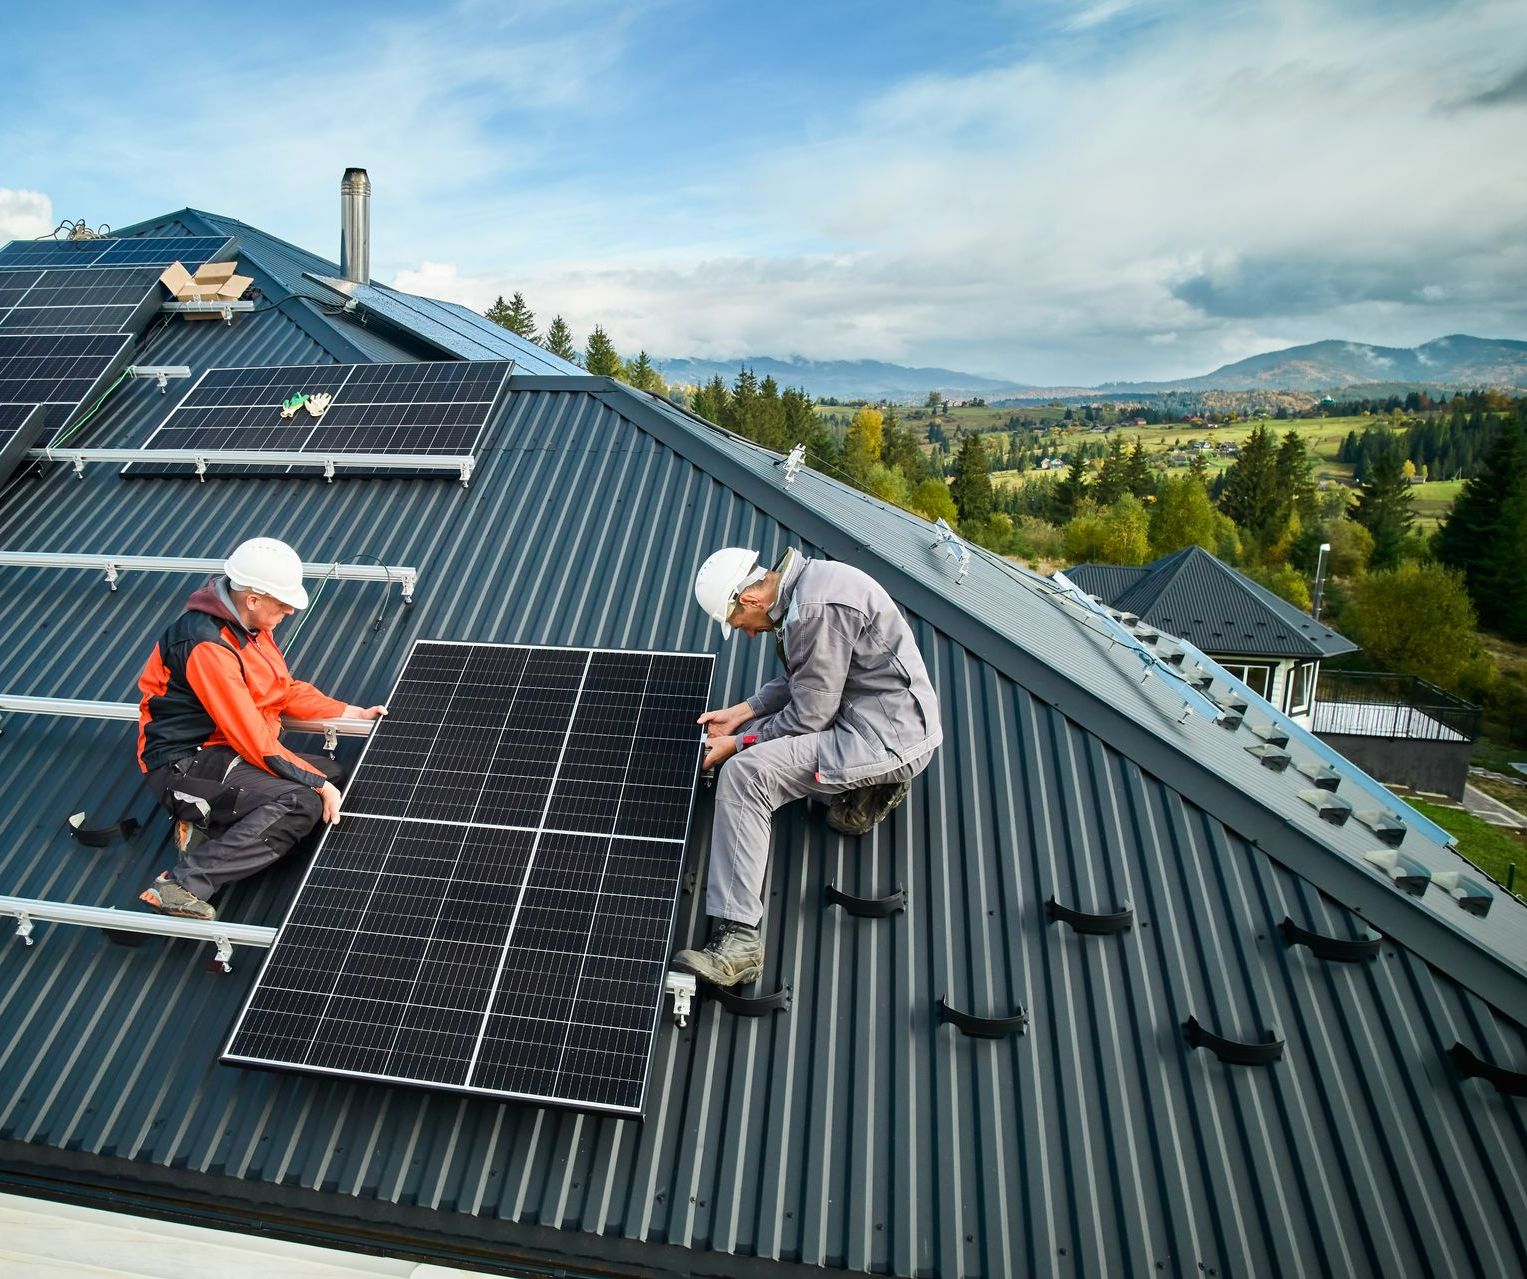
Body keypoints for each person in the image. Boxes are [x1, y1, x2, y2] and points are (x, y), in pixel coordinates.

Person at [673, 546, 942, 987]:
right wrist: (743, 711)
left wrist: (738, 744)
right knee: (766, 749)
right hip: (872, 714)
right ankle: (863, 787)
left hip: (883, 737)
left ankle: (739, 940)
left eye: (740, 625)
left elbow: (807, 718)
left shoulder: (813, 610)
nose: (749, 635)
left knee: (746, 775)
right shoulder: (809, 586)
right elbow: (808, 675)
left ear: (750, 600)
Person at [135, 537, 386, 921]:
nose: (288, 611)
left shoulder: (248, 627)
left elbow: (278, 690)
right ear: (252, 598)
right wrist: (316, 786)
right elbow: (251, 735)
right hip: (184, 764)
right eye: (283, 603)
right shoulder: (207, 646)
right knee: (303, 801)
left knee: (332, 773)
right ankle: (182, 884)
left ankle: (207, 825)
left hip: (224, 753)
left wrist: (349, 712)